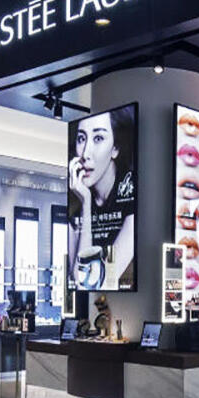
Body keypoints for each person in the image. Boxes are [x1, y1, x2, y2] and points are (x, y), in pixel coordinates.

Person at [68, 106, 137, 290]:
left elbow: (99, 283)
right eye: (81, 139)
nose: (85, 154)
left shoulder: (132, 199)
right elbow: (80, 280)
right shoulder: (75, 206)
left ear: (115, 148)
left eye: (98, 138)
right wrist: (86, 203)